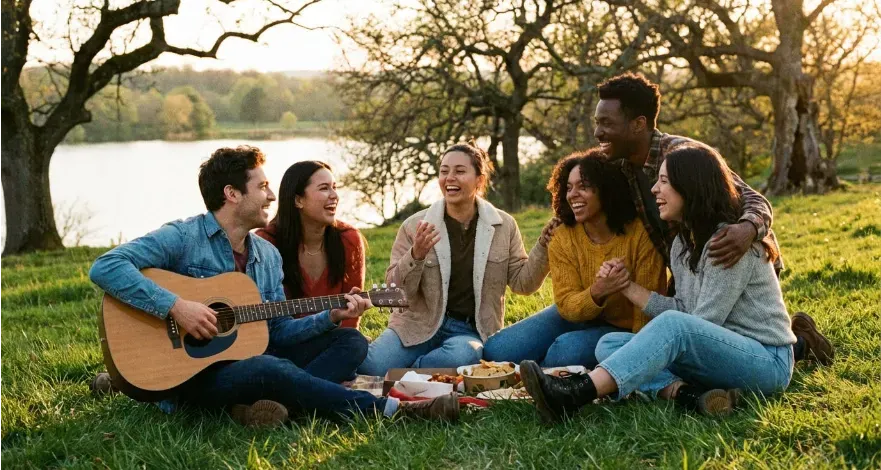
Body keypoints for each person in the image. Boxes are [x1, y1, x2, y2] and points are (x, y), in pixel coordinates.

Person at [89, 145, 458, 426]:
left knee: (351, 341)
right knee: (269, 368)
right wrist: (177, 307)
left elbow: (278, 329)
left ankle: (266, 407)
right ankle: (393, 410)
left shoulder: (266, 255)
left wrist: (329, 316)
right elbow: (107, 266)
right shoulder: (184, 237)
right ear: (232, 194)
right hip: (194, 376)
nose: (270, 195)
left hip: (248, 363)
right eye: (262, 186)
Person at [521, 144, 796, 422]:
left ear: (690, 187)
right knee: (610, 344)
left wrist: (659, 349)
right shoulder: (681, 243)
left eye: (663, 181)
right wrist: (626, 286)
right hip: (716, 354)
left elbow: (697, 325)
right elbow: (684, 310)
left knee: (668, 331)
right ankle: (687, 394)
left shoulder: (728, 245)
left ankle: (575, 394)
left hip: (766, 362)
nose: (653, 190)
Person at [592, 72, 833, 365]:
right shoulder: (623, 166)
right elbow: (582, 186)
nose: (598, 133)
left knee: (716, 335)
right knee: (705, 337)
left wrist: (746, 229)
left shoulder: (685, 156)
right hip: (689, 265)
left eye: (606, 123)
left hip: (730, 254)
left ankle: (798, 348)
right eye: (597, 123)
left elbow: (754, 199)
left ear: (638, 124)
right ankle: (793, 349)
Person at [358, 142, 558, 376]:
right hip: (414, 326)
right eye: (444, 171)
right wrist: (416, 255)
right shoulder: (414, 225)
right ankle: (421, 371)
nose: (449, 178)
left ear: (479, 180)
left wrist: (544, 247)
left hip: (467, 333)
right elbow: (394, 292)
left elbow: (523, 285)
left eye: (460, 171)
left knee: (466, 356)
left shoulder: (504, 226)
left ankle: (408, 371)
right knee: (371, 367)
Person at [483, 149, 666, 367]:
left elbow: (646, 316)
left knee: (562, 352)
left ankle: (544, 370)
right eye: (568, 188)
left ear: (606, 190)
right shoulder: (562, 235)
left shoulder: (639, 234)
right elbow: (567, 306)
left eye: (583, 186)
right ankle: (540, 368)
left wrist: (632, 354)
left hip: (623, 328)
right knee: (497, 350)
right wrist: (600, 290)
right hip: (575, 316)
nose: (572, 195)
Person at [255, 161, 365, 330]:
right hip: (285, 339)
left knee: (354, 341)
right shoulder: (266, 242)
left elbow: (351, 317)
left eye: (334, 187)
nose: (334, 195)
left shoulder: (349, 238)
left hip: (333, 338)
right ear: (298, 200)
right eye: (324, 188)